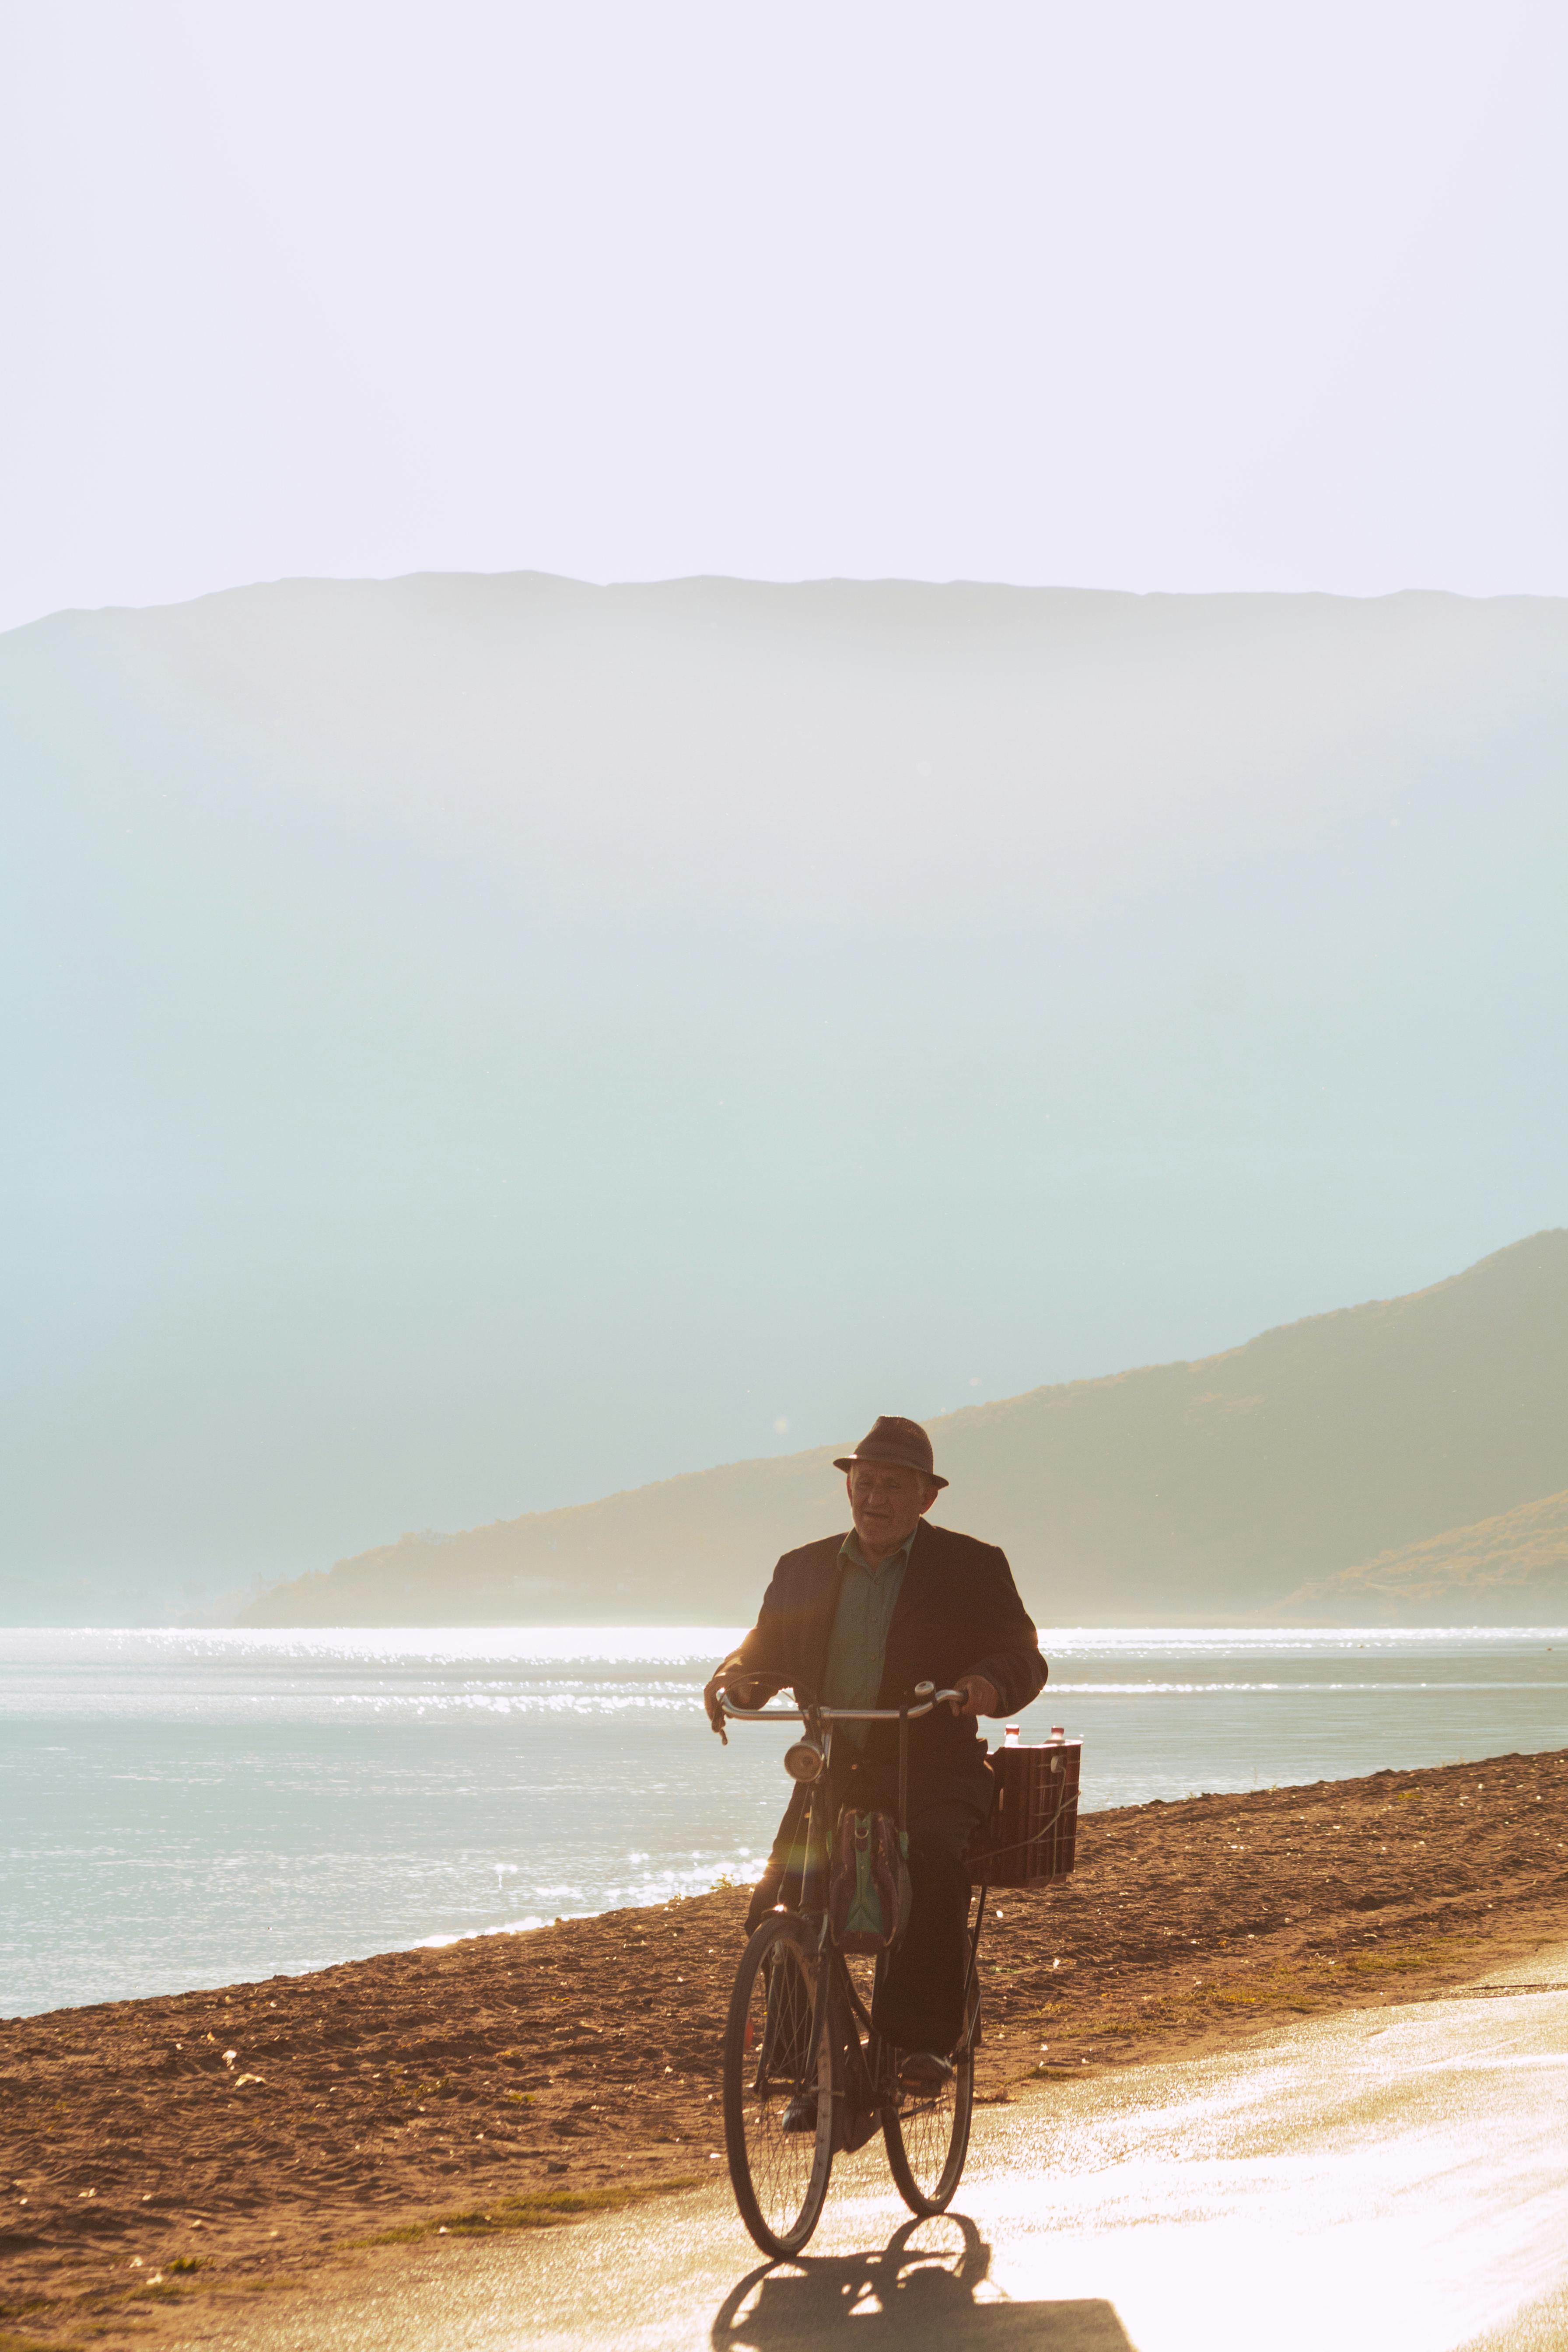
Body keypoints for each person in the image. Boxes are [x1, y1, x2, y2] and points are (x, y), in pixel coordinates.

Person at [704, 1415, 1046, 2095]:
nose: (876, 1498)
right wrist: (738, 1677)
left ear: (927, 1497)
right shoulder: (802, 1569)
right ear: (849, 1488)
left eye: (894, 1485)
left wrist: (986, 1684)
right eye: (865, 1483)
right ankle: (809, 2063)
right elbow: (763, 1649)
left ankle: (922, 2044)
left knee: (930, 1868)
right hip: (834, 1770)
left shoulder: (971, 1566)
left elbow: (1023, 1658)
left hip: (935, 1767)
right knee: (779, 1898)